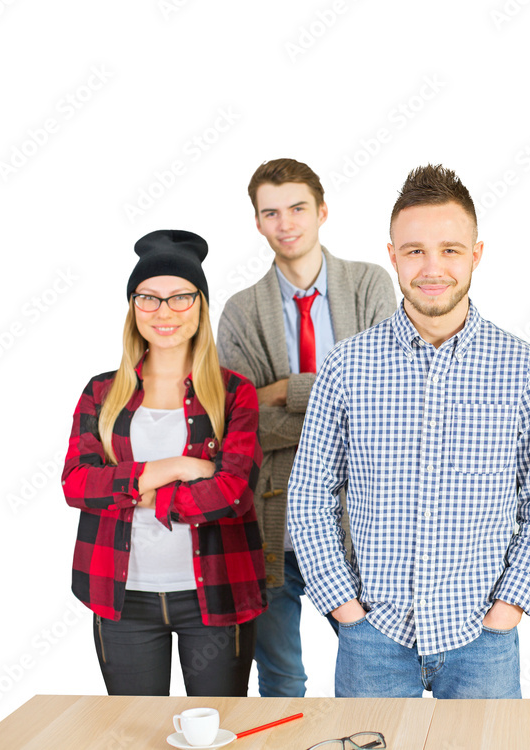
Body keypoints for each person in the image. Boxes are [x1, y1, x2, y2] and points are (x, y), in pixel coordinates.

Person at [288, 164, 530, 699]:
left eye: (450, 249)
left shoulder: (524, 370)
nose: (432, 267)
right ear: (392, 256)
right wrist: (345, 610)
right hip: (373, 639)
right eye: (415, 250)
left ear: (476, 254)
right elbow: (309, 496)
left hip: (482, 641)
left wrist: (508, 610)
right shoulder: (347, 366)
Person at [216, 158, 396, 697]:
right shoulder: (241, 312)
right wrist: (333, 404)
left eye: (297, 208)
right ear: (257, 223)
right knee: (280, 679)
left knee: (377, 671)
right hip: (275, 522)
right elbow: (243, 427)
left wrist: (283, 391)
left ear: (321, 212)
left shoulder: (368, 285)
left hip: (360, 520)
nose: (285, 223)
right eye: (270, 213)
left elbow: (382, 401)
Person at [62, 229, 266, 696]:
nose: (164, 312)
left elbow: (233, 492)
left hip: (216, 593)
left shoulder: (235, 393)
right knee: (135, 733)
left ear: (200, 305)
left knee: (216, 733)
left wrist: (132, 493)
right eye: (149, 298)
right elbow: (77, 485)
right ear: (133, 307)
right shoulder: (101, 392)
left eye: (179, 297)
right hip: (122, 597)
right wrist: (179, 465)